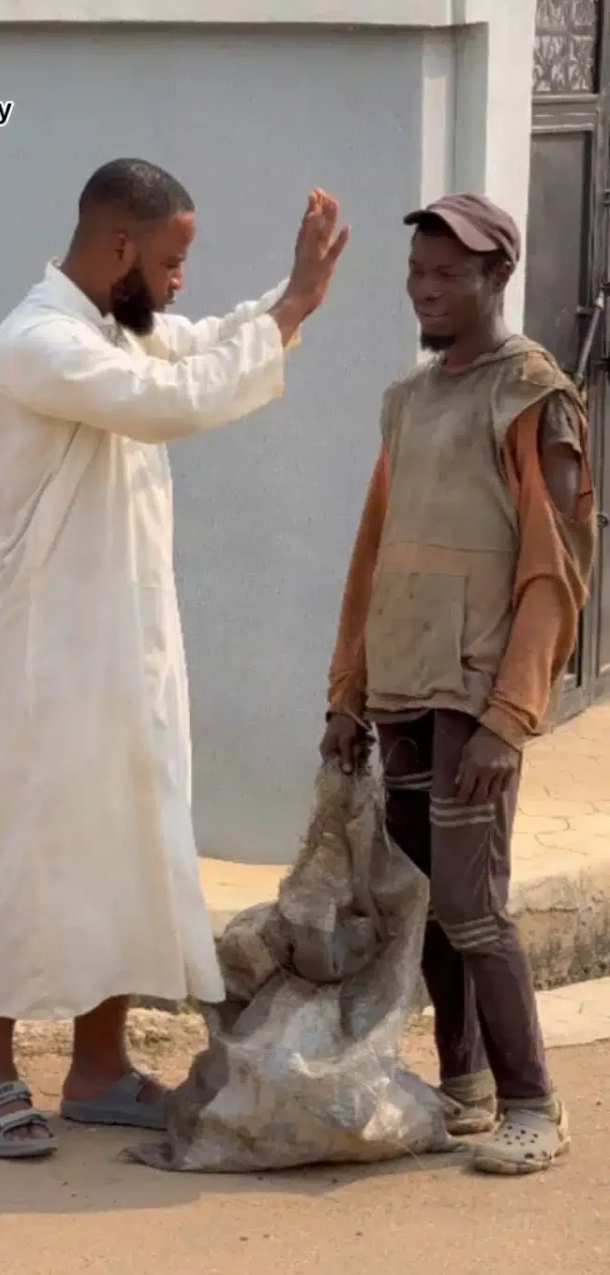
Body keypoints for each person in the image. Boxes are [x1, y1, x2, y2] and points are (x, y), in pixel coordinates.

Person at [0, 158, 348, 1159]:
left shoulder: (113, 332)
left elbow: (204, 343)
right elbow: (169, 398)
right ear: (119, 247)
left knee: (129, 847)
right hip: (52, 656)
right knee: (34, 860)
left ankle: (97, 1072)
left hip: (129, 650)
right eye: (172, 262)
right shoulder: (38, 343)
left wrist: (286, 299)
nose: (179, 283)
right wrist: (291, 306)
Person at [321, 193, 597, 1176]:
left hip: (476, 692)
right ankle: (465, 1084)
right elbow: (373, 554)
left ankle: (535, 1102)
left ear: (496, 280)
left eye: (450, 275)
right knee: (418, 897)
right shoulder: (409, 399)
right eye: (418, 275)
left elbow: (555, 566)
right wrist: (346, 691)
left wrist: (511, 715)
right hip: (400, 682)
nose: (429, 290)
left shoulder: (533, 396)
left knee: (473, 904)